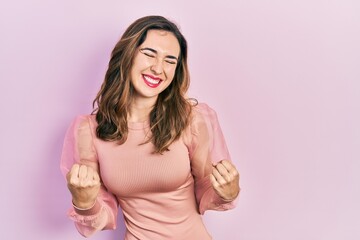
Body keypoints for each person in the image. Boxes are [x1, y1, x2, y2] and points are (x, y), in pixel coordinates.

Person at [60, 15, 240, 240]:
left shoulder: (192, 120)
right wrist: (83, 201)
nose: (158, 68)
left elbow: (207, 189)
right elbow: (101, 217)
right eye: (149, 54)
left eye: (170, 61)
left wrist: (227, 192)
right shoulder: (89, 131)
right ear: (128, 56)